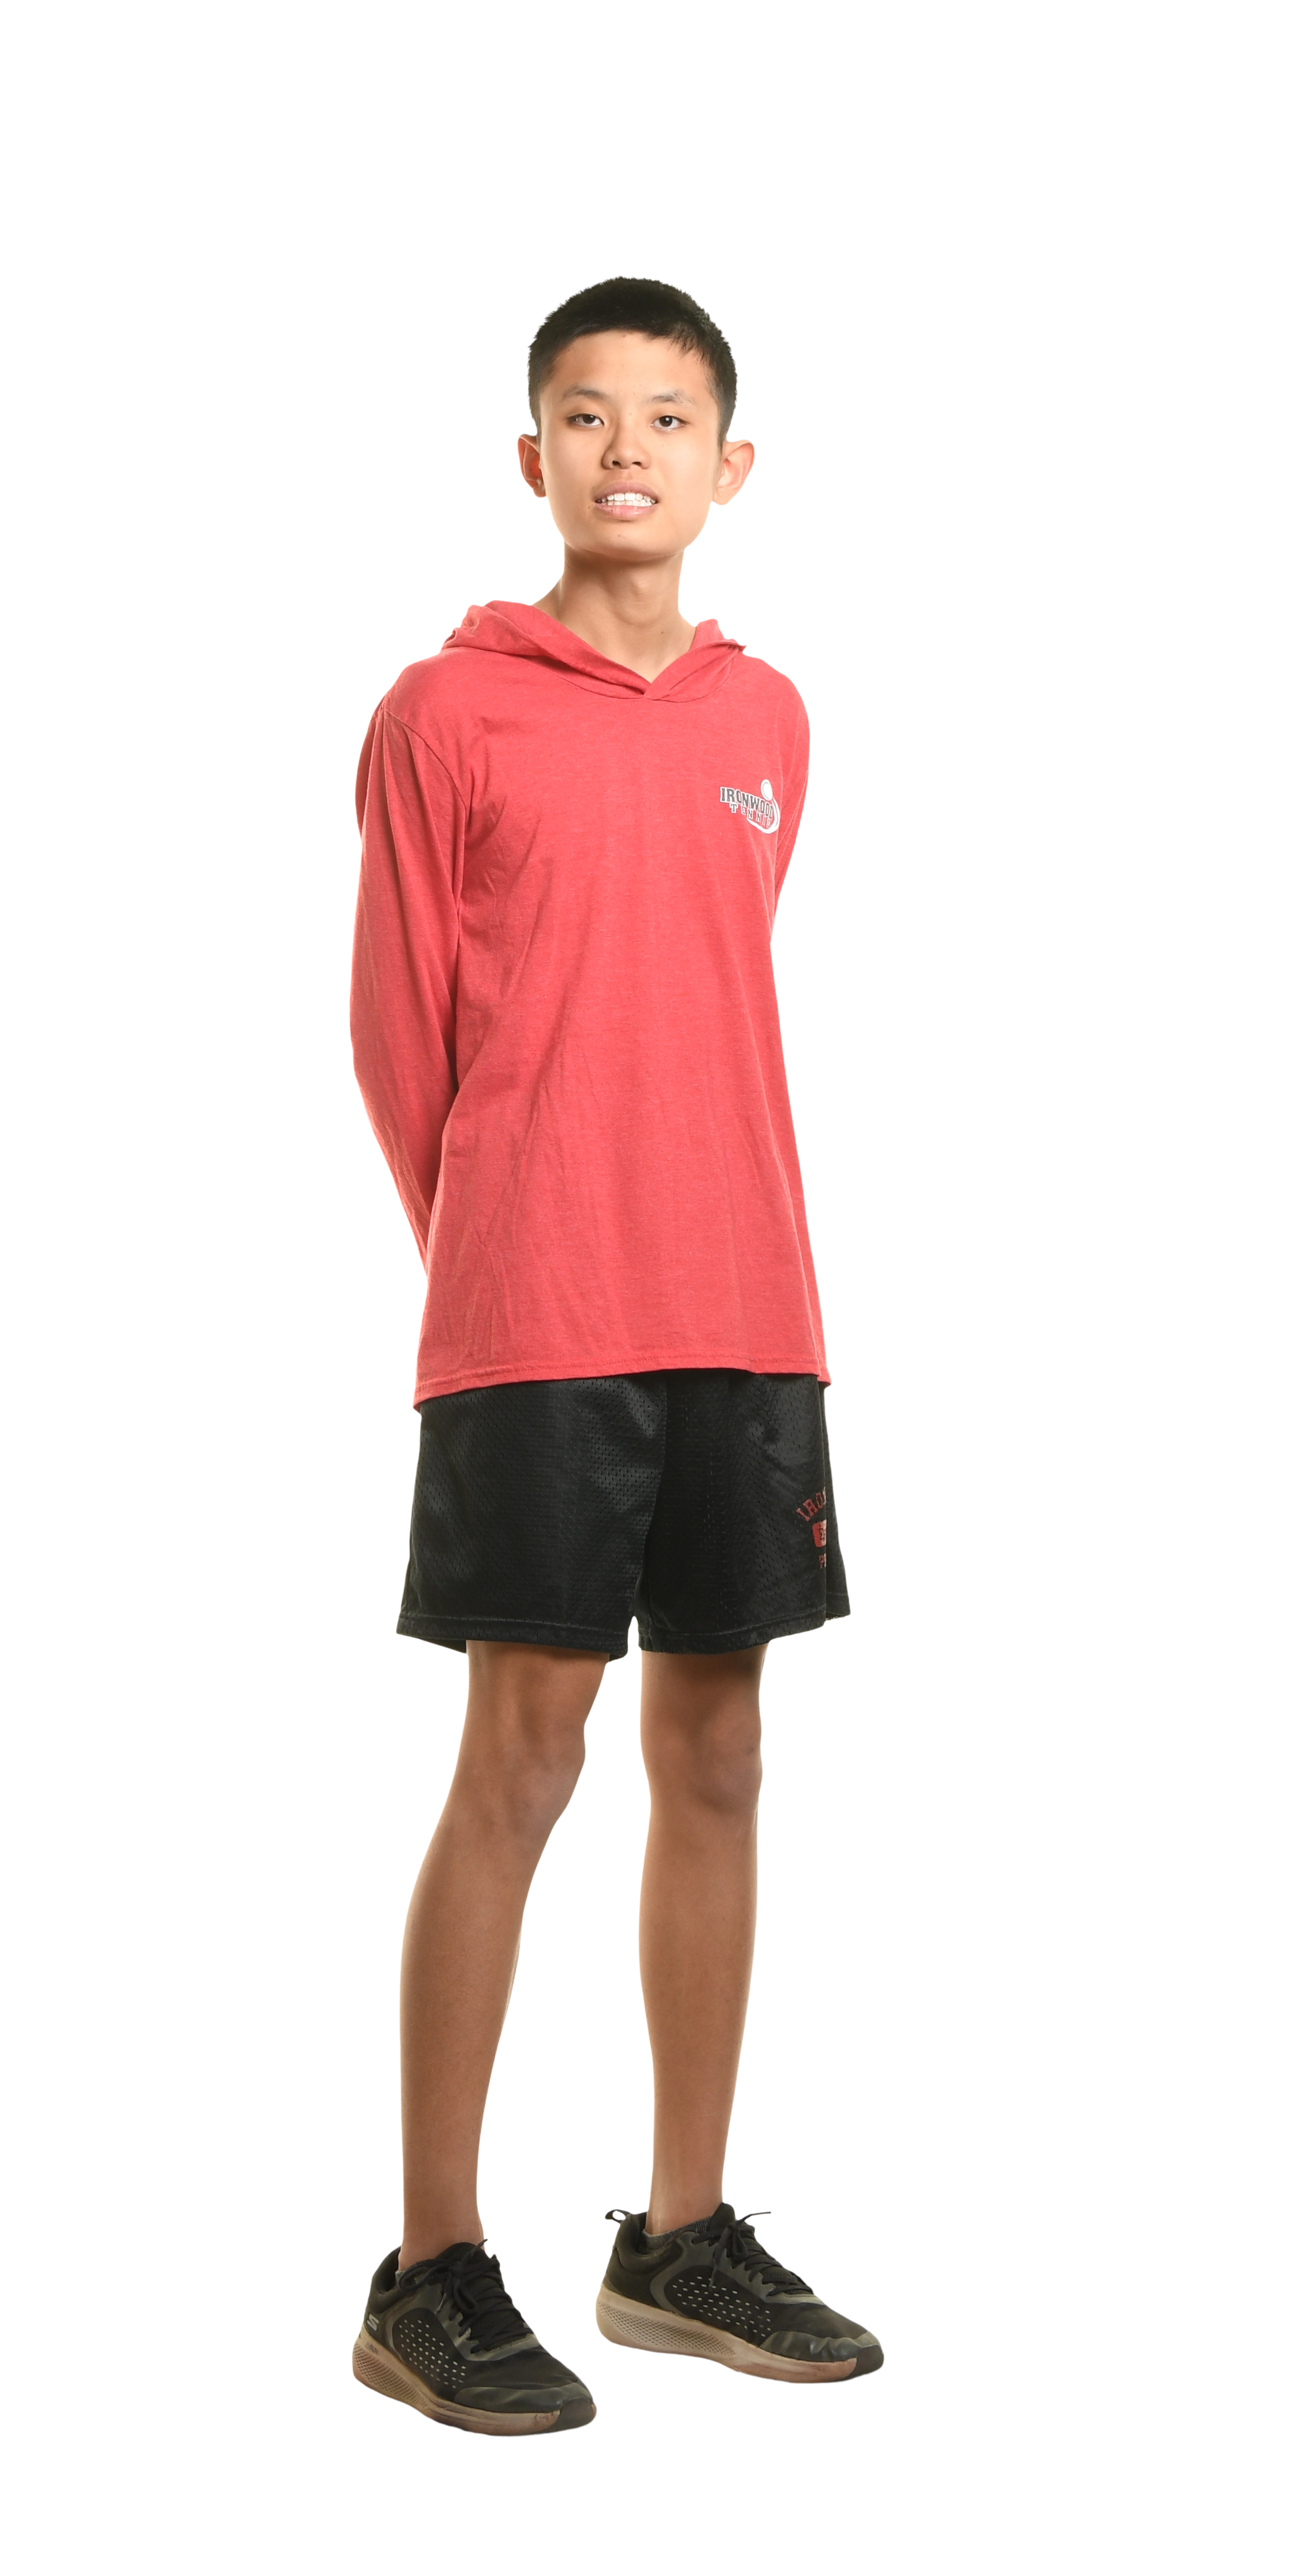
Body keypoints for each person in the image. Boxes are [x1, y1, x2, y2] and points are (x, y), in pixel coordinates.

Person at [345, 273, 882, 2438]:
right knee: (523, 1755)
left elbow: (702, 999)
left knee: (720, 1751)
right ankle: (430, 2267)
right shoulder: (443, 714)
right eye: (585, 414)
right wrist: (496, 1262)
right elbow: (398, 1039)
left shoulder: (773, 720)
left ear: (730, 463)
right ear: (532, 458)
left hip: (748, 1305)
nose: (627, 448)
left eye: (669, 416)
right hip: (538, 1319)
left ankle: (676, 2239)